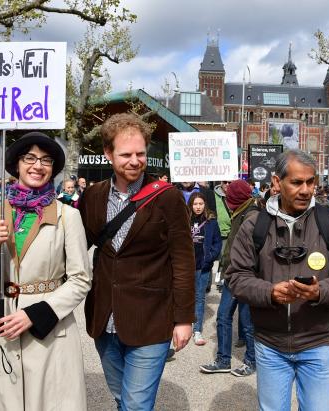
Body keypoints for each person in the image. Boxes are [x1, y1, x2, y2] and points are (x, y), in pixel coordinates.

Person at [226, 149, 329, 410]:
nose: (306, 190)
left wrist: (319, 291)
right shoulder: (254, 226)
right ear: (277, 182)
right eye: (297, 182)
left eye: (310, 182)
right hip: (270, 345)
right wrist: (269, 292)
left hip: (319, 343)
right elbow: (236, 277)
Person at [0, 132, 92, 410]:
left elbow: (81, 278)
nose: (38, 166)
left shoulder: (67, 216)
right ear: (17, 165)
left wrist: (35, 314)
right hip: (3, 322)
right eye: (30, 158)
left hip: (50, 330)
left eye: (46, 160)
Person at [79, 113, 194, 410]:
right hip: (104, 319)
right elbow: (73, 248)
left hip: (151, 319)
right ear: (108, 153)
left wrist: (183, 318)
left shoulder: (167, 197)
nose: (134, 160)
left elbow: (182, 261)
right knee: (122, 400)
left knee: (135, 406)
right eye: (126, 154)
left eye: (140, 153)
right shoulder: (92, 196)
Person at [200, 179, 258, 377]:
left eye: (229, 196)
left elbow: (250, 253)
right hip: (232, 276)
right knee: (223, 317)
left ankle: (251, 360)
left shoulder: (251, 216)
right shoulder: (241, 211)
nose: (226, 200)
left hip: (244, 277)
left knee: (247, 322)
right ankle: (223, 360)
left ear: (236, 197)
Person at [188, 192, 222, 346]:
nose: (198, 207)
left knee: (199, 298)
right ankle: (183, 325)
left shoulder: (211, 222)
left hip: (203, 265)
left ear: (205, 205)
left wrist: (210, 257)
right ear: (191, 205)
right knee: (184, 296)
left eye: (201, 204)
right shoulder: (184, 219)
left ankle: (197, 330)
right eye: (195, 204)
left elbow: (217, 243)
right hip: (186, 266)